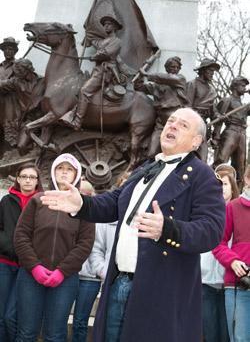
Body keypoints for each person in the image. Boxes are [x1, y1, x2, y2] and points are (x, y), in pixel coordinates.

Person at [41, 107, 225, 342]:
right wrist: (81, 204)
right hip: (119, 282)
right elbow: (115, 202)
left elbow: (212, 230)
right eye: (171, 121)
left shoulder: (202, 176)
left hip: (160, 290)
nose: (173, 126)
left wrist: (167, 229)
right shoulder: (147, 166)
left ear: (196, 141)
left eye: (183, 125)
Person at [14, 153, 95, 342]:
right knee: (26, 332)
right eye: (60, 168)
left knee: (55, 334)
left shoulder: (84, 206)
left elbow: (85, 244)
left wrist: (62, 271)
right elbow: (21, 235)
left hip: (64, 280)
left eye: (69, 169)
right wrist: (34, 266)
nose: (64, 173)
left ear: (77, 174)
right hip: (30, 277)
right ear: (53, 172)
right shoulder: (37, 200)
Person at [0, 162, 43, 342]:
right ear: (18, 179)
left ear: (37, 181)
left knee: (12, 316)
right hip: (5, 263)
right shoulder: (7, 201)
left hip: (28, 267)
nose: (27, 180)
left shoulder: (42, 203)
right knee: (1, 316)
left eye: (32, 177)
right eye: (24, 177)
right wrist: (5, 244)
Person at [72, 180, 117, 342]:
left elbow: (97, 247)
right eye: (80, 193)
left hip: (90, 278)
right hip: (69, 274)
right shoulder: (69, 212)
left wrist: (100, 270)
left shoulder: (97, 217)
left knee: (80, 321)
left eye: (86, 195)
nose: (82, 197)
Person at [65, 15, 125, 130]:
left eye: (109, 24)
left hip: (105, 71)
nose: (105, 26)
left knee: (84, 91)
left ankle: (77, 122)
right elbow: (96, 43)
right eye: (104, 25)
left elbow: (106, 53)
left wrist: (95, 56)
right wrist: (89, 35)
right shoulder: (104, 41)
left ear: (115, 27)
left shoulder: (117, 41)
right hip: (97, 70)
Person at [201, 166, 239, 342]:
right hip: (206, 282)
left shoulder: (238, 213)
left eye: (224, 184)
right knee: (209, 332)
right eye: (217, 184)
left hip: (230, 284)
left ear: (232, 187)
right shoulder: (204, 211)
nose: (221, 188)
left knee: (227, 333)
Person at [213, 164, 250, 341]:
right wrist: (233, 261)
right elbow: (218, 243)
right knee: (239, 338)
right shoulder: (233, 207)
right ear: (248, 179)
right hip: (239, 286)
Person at [134, 56, 189, 157]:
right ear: (167, 68)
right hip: (160, 122)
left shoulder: (180, 80)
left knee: (174, 152)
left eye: (177, 67)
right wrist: (141, 74)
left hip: (175, 121)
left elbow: (168, 78)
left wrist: (147, 75)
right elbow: (138, 87)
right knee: (152, 152)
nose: (175, 69)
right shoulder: (156, 86)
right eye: (172, 67)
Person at [212, 76, 250, 185]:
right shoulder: (227, 100)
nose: (244, 88)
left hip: (242, 134)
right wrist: (216, 137)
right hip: (230, 132)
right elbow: (218, 120)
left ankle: (237, 192)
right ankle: (212, 186)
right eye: (242, 85)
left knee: (240, 166)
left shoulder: (243, 105)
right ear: (235, 86)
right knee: (221, 161)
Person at [186, 58, 221, 161]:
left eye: (213, 72)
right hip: (191, 123)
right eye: (210, 71)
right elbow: (187, 105)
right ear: (202, 70)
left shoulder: (211, 90)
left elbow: (213, 110)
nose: (212, 74)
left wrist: (218, 116)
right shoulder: (192, 84)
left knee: (203, 157)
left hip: (203, 126)